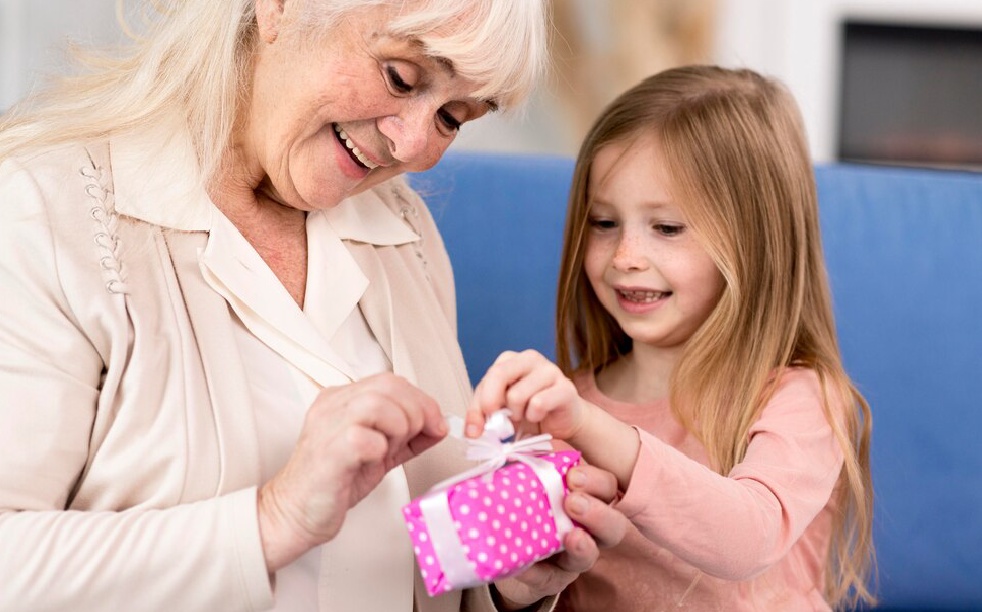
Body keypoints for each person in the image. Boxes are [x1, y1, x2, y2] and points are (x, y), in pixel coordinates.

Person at [0, 1, 628, 610]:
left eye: (453, 117)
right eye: (401, 76)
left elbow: (408, 548)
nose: (410, 145)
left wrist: (502, 583)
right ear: (277, 7)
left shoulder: (403, 229)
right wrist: (273, 519)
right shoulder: (40, 212)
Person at [466, 65, 876, 611]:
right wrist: (510, 584)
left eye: (667, 228)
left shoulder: (799, 398)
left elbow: (749, 536)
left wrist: (590, 429)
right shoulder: (564, 408)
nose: (625, 258)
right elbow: (517, 591)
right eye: (603, 222)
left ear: (756, 243)